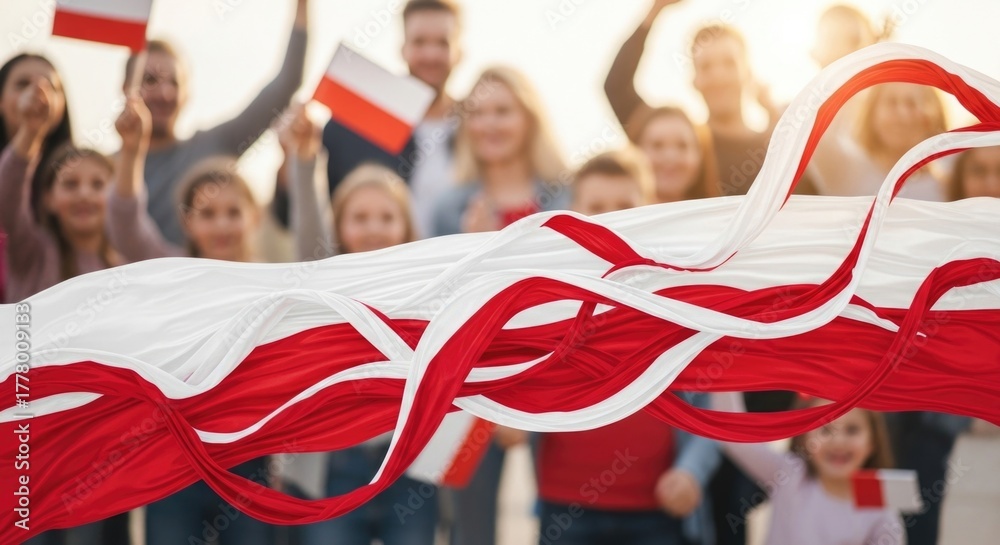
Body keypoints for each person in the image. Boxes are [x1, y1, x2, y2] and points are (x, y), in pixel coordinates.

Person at [107, 94, 275, 545]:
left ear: (254, 217)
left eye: (233, 212)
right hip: (174, 463)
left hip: (247, 464)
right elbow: (124, 225)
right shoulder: (171, 271)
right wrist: (130, 150)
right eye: (208, 213)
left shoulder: (275, 284)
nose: (221, 225)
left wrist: (301, 161)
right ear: (186, 222)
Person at [535, 148, 720, 545]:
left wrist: (691, 471)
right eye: (596, 207)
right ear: (573, 215)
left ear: (648, 209)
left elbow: (713, 404)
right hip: (565, 509)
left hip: (657, 510)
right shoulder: (545, 299)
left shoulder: (678, 295)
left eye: (624, 206)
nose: (611, 218)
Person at [279, 105, 437, 545]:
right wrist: (307, 157)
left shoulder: (428, 290)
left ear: (405, 225)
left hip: (408, 464)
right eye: (360, 218)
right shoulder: (326, 278)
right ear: (341, 226)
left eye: (386, 218)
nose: (373, 229)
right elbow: (308, 221)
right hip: (336, 463)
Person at [431, 65, 567, 545]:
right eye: (479, 113)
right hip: (472, 387)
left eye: (502, 111)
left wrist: (529, 403)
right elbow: (435, 311)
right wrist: (468, 256)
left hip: (553, 381)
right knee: (471, 533)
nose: (489, 124)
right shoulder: (449, 207)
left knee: (562, 524)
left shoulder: (565, 197)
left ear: (528, 118)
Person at [0, 76, 123, 545]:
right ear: (48, 199)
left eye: (98, 183)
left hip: (93, 445)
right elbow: (9, 191)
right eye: (70, 184)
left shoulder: (124, 266)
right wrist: (31, 132)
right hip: (27, 436)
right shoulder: (35, 251)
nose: (85, 195)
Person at [274, 0, 462, 239]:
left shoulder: (481, 129)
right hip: (373, 274)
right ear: (402, 48)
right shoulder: (356, 122)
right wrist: (291, 155)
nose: (430, 54)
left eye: (442, 43)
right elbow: (289, 214)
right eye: (420, 42)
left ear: (459, 51)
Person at [125, 0, 308, 245]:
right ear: (126, 88)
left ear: (187, 93)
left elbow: (286, 85)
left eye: (174, 83)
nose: (164, 92)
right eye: (150, 80)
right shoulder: (105, 174)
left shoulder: (213, 146)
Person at [604, 0, 817, 197]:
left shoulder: (781, 145)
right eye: (705, 66)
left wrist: (775, 116)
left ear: (748, 73)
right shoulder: (683, 147)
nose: (718, 76)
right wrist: (654, 11)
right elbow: (616, 87)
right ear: (694, 80)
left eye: (729, 63)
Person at [712, 392, 904, 545]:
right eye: (825, 430)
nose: (838, 442)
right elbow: (732, 439)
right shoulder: (791, 474)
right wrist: (726, 369)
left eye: (852, 430)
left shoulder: (882, 498)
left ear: (873, 441)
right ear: (805, 437)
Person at [1, 53, 74, 311]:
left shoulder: (81, 176)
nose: (37, 92)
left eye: (50, 86)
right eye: (22, 84)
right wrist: (30, 133)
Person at [811, 83, 947, 199]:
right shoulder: (845, 167)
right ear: (872, 113)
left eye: (912, 103)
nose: (901, 113)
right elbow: (812, 123)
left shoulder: (950, 186)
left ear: (933, 115)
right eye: (891, 102)